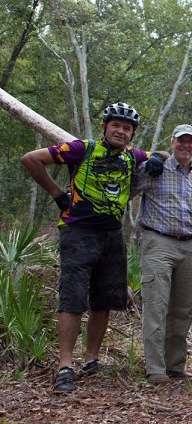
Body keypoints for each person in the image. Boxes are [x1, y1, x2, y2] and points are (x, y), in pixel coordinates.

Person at [21, 102, 150, 391]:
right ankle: (65, 365)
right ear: (104, 127)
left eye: (127, 128)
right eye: (116, 125)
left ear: (132, 135)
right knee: (73, 297)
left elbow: (162, 156)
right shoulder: (82, 148)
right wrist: (57, 195)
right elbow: (31, 158)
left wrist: (157, 160)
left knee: (103, 300)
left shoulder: (132, 156)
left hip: (111, 234)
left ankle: (91, 359)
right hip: (78, 232)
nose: (121, 131)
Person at [137, 124, 192, 384]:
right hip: (158, 241)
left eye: (190, 142)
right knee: (157, 304)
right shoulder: (155, 169)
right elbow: (127, 189)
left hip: (190, 245)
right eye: (180, 141)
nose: (185, 145)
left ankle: (175, 365)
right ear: (172, 142)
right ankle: (155, 368)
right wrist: (153, 157)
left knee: (183, 308)